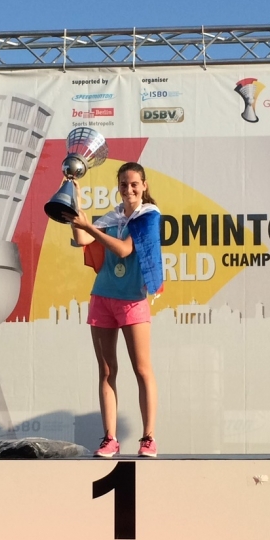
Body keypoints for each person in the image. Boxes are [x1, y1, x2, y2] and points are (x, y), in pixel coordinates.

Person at [66, 162, 163, 458]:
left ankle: (148, 438)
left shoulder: (149, 216)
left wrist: (89, 226)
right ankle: (110, 438)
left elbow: (124, 249)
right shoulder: (113, 217)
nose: (129, 189)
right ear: (118, 187)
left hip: (132, 300)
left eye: (134, 184)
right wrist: (73, 200)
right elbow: (82, 239)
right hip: (103, 297)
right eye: (123, 184)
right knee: (107, 371)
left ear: (144, 185)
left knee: (142, 369)